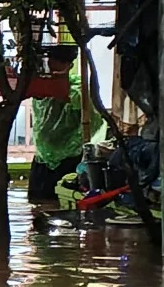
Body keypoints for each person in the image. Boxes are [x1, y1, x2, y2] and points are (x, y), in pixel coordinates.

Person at [28, 45, 106, 201]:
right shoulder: (40, 83)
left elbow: (94, 120)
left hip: (67, 156)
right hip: (43, 156)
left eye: (58, 62)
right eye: (52, 61)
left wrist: (75, 141)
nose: (53, 65)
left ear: (69, 65)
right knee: (37, 202)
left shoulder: (77, 90)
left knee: (62, 199)